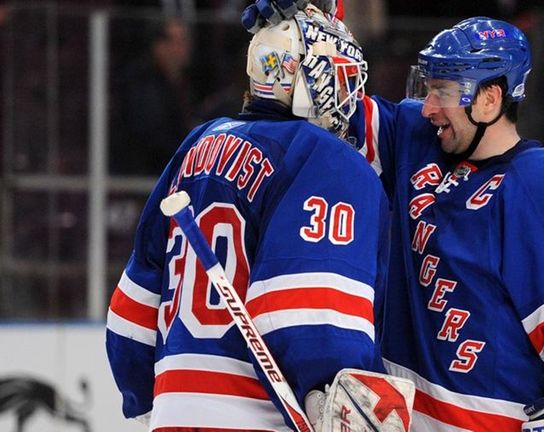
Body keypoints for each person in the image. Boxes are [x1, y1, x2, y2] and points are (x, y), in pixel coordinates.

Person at [245, 3, 544, 431]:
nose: (428, 107)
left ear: (490, 99)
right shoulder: (415, 139)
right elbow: (334, 105)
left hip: (486, 422)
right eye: (428, 89)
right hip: (400, 418)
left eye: (443, 91)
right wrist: (304, 27)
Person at [106, 5, 412, 431]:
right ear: (309, 81)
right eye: (340, 79)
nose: (350, 99)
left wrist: (147, 402)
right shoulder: (327, 159)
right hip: (260, 415)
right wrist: (346, 405)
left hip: (173, 410)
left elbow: (131, 309)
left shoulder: (198, 144)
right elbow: (310, 318)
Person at [110, 18, 195, 176]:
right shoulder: (143, 82)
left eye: (186, 40)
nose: (186, 47)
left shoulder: (182, 83)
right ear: (159, 46)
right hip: (144, 174)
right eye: (179, 41)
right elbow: (152, 133)